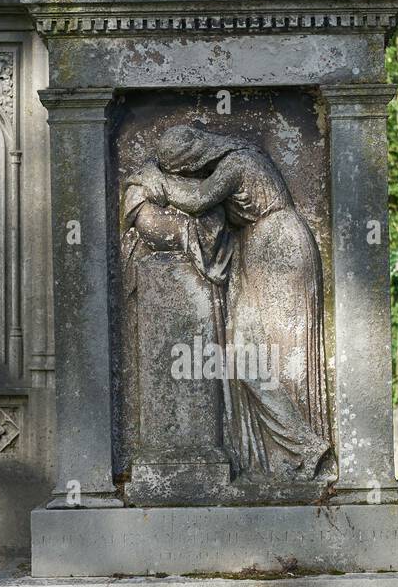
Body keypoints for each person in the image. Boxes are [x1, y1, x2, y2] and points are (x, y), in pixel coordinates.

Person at [138, 124, 331, 479]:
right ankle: (301, 446)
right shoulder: (234, 155)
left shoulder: (238, 162)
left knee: (278, 354)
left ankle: (303, 448)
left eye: (183, 168)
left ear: (194, 155)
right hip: (259, 248)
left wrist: (157, 182)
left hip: (279, 251)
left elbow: (198, 200)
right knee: (245, 354)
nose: (188, 174)